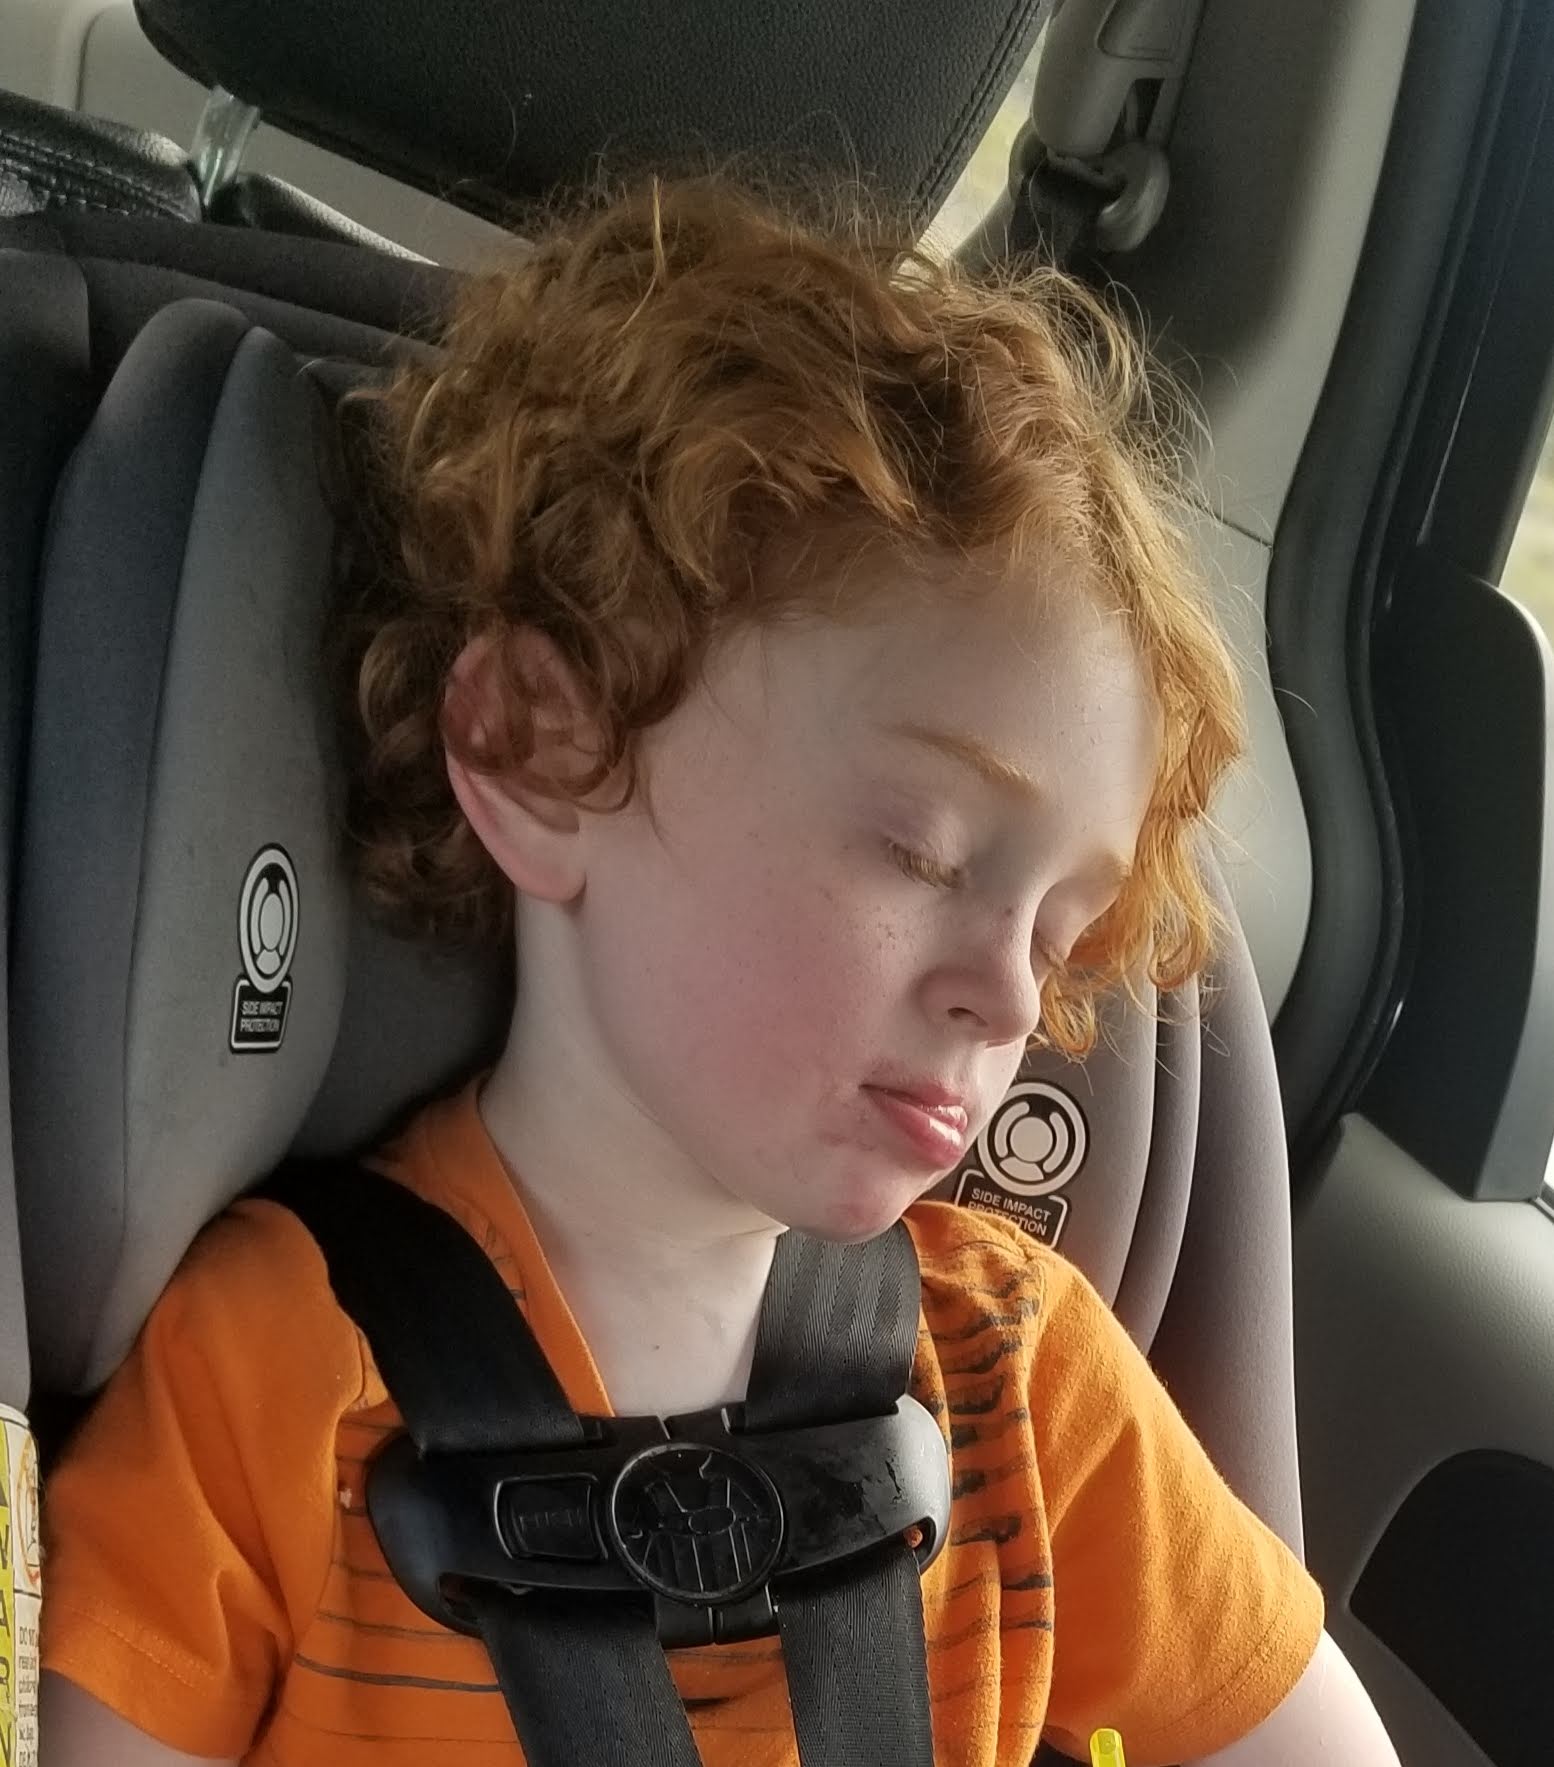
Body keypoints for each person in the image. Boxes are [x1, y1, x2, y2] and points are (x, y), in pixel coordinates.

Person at [38, 177, 1401, 1767]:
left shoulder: (1024, 1388)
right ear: (540, 753)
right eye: (923, 854)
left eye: (1058, 930)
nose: (1013, 1000)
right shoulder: (273, 1384)